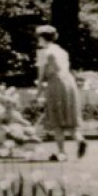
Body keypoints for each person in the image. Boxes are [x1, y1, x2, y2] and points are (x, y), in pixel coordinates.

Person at [35, 25, 86, 160]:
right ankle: (79, 140)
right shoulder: (62, 51)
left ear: (41, 37)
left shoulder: (43, 53)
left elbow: (41, 75)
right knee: (70, 117)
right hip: (69, 83)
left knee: (57, 120)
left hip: (56, 85)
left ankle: (62, 152)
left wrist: (38, 93)